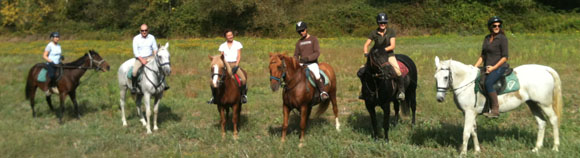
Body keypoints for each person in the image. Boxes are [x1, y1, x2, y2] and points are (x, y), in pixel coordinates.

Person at [360, 13, 405, 100]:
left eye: (384, 22)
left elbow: (392, 46)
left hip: (388, 55)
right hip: (376, 57)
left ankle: (401, 92)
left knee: (398, 71)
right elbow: (366, 44)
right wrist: (366, 53)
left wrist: (382, 50)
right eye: (381, 23)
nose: (383, 24)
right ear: (378, 23)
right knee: (362, 71)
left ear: (386, 23)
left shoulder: (391, 32)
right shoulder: (374, 33)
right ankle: (364, 92)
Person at [474, 16, 509, 118]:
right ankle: (484, 106)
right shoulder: (487, 38)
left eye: (499, 25)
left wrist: (493, 68)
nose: (497, 27)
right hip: (487, 67)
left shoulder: (502, 38)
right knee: (477, 80)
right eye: (494, 25)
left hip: (500, 67)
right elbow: (483, 55)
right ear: (490, 27)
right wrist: (474, 67)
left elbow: (505, 57)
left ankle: (495, 109)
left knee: (488, 83)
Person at [208, 29, 248, 104]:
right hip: (225, 64)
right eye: (228, 35)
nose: (230, 36)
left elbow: (239, 55)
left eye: (231, 35)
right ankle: (214, 97)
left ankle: (243, 95)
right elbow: (221, 57)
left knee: (243, 79)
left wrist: (236, 65)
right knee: (212, 81)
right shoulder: (222, 46)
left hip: (234, 64)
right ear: (225, 37)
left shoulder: (237, 44)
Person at [293, 21, 329, 101]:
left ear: (306, 29)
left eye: (302, 30)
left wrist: (308, 58)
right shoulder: (298, 43)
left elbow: (317, 53)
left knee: (316, 74)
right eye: (299, 31)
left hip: (312, 63)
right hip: (302, 64)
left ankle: (322, 92)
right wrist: (296, 61)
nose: (301, 32)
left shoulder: (313, 39)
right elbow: (295, 55)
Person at [131, 24, 169, 93]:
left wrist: (155, 56)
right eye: (142, 30)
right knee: (134, 71)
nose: (144, 32)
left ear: (148, 30)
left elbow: (154, 49)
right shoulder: (136, 38)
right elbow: (135, 52)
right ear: (140, 31)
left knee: (160, 66)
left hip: (150, 57)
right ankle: (134, 87)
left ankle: (164, 84)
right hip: (139, 58)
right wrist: (142, 60)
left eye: (145, 30)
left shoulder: (151, 37)